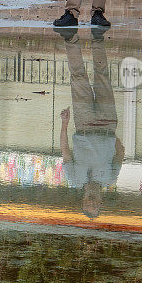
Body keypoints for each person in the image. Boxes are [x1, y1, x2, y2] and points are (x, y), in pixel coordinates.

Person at [57, 27, 124, 219]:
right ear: (101, 202)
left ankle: (70, 38)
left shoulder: (74, 179)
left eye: (88, 204)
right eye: (95, 205)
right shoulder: (111, 178)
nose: (92, 201)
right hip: (107, 123)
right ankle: (97, 37)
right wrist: (111, 133)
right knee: (102, 75)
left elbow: (65, 151)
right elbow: (120, 153)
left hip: (83, 123)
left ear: (83, 201)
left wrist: (64, 123)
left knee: (78, 77)